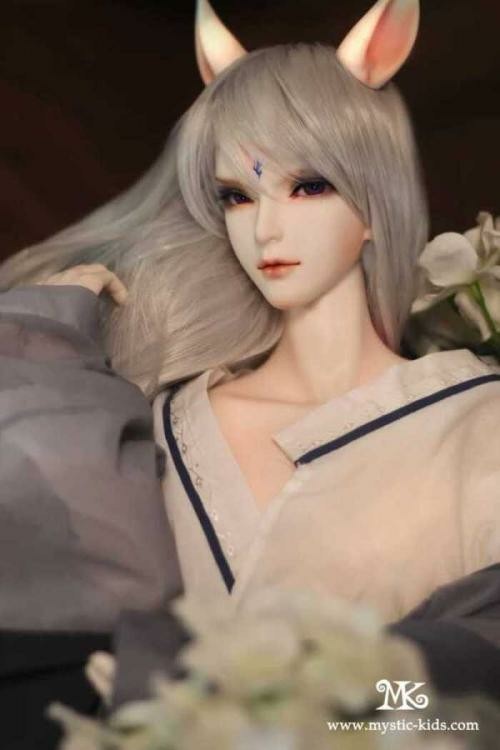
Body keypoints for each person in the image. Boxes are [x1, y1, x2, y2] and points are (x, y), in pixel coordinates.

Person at [1, 0, 499, 738]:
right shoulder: (157, 412)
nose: (266, 228)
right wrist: (44, 340)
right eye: (236, 196)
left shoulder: (478, 424)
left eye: (309, 185)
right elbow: (54, 633)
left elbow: (473, 698)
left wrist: (332, 705)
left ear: (376, 198)